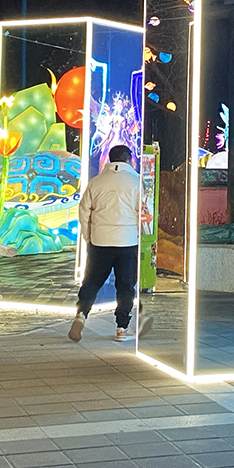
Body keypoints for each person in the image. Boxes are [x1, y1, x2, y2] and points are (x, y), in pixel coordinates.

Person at [69, 144, 142, 342]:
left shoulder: (96, 182)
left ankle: (81, 314)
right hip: (127, 241)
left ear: (110, 159)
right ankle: (121, 328)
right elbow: (142, 213)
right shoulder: (137, 182)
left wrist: (88, 237)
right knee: (125, 286)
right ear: (129, 160)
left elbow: (84, 212)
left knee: (92, 281)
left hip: (100, 240)